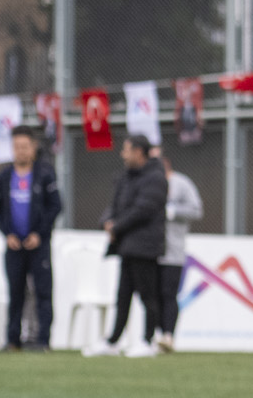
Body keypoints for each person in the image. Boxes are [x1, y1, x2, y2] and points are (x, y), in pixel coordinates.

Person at [87, 134, 166, 357]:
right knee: (122, 296)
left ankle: (148, 340)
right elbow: (114, 206)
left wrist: (117, 227)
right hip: (126, 246)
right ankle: (113, 341)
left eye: (127, 150)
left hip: (145, 247)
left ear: (139, 152)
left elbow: (143, 210)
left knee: (148, 296)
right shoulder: (125, 177)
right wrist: (107, 222)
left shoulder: (156, 178)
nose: (123, 154)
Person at [0, 127, 62, 350]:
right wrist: (7, 234)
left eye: (24, 147)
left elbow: (56, 206)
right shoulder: (3, 177)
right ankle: (13, 340)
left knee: (42, 292)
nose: (20, 151)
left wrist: (39, 234)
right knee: (15, 293)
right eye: (16, 147)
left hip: (38, 245)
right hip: (14, 246)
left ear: (33, 148)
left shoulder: (45, 175)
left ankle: (43, 340)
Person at [156, 153, 203, 350]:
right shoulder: (148, 184)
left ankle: (168, 335)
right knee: (152, 296)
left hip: (173, 251)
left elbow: (196, 210)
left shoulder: (181, 183)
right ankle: (155, 335)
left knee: (169, 294)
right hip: (150, 250)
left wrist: (172, 211)